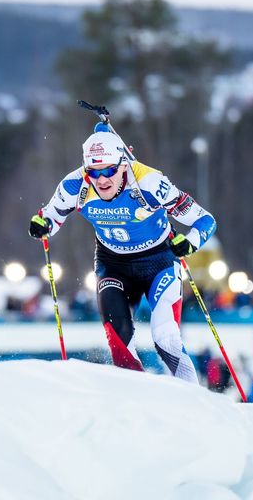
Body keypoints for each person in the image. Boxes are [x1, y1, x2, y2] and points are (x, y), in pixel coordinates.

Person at [28, 129, 216, 383]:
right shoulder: (75, 185)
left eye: (109, 170)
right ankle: (138, 404)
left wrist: (190, 243)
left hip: (158, 262)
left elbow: (205, 220)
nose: (102, 179)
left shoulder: (149, 182)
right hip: (113, 264)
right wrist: (42, 225)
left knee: (165, 338)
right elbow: (50, 216)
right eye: (94, 172)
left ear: (123, 165)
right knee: (120, 342)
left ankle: (194, 401)